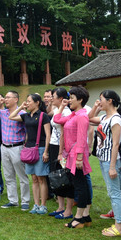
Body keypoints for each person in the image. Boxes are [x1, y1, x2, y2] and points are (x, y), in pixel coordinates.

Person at [88, 90, 121, 237]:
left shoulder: (115, 119)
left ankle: (119, 227)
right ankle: (119, 222)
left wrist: (112, 167)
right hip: (103, 159)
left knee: (115, 193)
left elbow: (116, 145)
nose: (99, 101)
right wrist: (96, 108)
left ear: (110, 101)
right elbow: (88, 119)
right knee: (113, 192)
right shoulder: (105, 117)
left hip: (111, 161)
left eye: (101, 99)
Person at [53, 86, 92, 229]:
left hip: (77, 156)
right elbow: (57, 119)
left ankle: (79, 217)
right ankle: (85, 216)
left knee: (80, 186)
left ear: (80, 100)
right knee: (79, 185)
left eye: (72, 98)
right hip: (72, 155)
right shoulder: (74, 115)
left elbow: (82, 138)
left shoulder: (81, 116)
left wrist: (80, 158)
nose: (69, 100)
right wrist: (62, 107)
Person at [9, 94, 51, 215]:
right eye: (26, 101)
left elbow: (48, 135)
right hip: (29, 149)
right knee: (33, 178)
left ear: (37, 102)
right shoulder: (26, 115)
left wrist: (46, 151)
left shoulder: (43, 116)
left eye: (29, 101)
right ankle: (36, 204)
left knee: (41, 178)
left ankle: (43, 205)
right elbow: (11, 116)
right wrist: (21, 106)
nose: (27, 103)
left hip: (41, 148)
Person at [0, 91, 30, 211]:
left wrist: (26, 145)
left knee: (22, 175)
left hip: (17, 147)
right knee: (8, 176)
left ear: (16, 99)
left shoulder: (23, 113)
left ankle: (25, 201)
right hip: (4, 147)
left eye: (8, 97)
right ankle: (13, 200)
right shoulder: (2, 113)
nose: (6, 99)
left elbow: (27, 131)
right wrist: (0, 102)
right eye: (5, 97)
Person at [47, 87, 74, 220]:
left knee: (65, 178)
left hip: (61, 148)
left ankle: (68, 210)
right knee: (56, 177)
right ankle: (60, 207)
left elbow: (64, 133)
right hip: (53, 145)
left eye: (54, 96)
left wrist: (60, 152)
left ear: (61, 99)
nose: (51, 98)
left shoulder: (67, 112)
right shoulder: (58, 110)